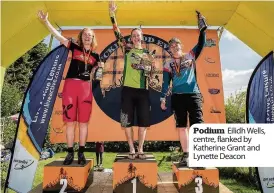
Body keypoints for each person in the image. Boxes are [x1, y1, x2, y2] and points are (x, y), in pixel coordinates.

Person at [38, 10, 102, 165]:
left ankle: (81, 153)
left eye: (90, 35)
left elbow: (96, 75)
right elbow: (59, 37)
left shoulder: (96, 56)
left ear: (93, 38)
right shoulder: (74, 47)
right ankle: (69, 153)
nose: (88, 36)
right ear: (81, 37)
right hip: (71, 86)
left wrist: (98, 70)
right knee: (70, 122)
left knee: (83, 123)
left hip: (86, 88)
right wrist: (46, 22)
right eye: (85, 34)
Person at [108, 1, 155, 160]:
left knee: (143, 123)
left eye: (138, 35)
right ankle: (131, 148)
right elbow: (117, 33)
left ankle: (140, 148)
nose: (135, 38)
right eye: (133, 35)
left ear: (142, 38)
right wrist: (112, 15)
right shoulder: (126, 47)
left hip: (143, 91)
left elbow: (151, 71)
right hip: (127, 90)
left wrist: (147, 69)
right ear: (131, 38)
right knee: (126, 122)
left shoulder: (148, 54)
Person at [160, 12, 207, 166]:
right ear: (169, 50)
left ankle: (199, 155)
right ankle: (186, 155)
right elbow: (166, 83)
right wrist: (162, 99)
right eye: (171, 46)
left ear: (181, 46)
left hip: (193, 95)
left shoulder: (190, 56)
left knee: (197, 126)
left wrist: (203, 30)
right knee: (181, 127)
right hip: (177, 97)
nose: (174, 47)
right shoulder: (167, 65)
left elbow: (201, 44)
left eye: (176, 45)